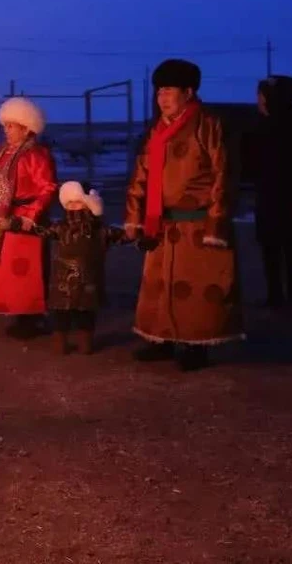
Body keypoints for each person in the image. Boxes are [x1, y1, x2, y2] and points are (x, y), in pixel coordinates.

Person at [125, 59, 244, 371]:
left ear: (188, 92)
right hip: (162, 224)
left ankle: (195, 346)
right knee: (160, 285)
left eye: (169, 91)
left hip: (197, 223)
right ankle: (160, 338)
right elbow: (141, 175)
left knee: (196, 290)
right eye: (159, 92)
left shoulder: (208, 124)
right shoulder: (157, 131)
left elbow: (224, 173)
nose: (162, 98)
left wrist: (216, 222)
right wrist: (135, 218)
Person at [18, 181, 146, 355]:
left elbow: (123, 236)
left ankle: (85, 343)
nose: (73, 207)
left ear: (89, 203)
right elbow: (41, 230)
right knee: (61, 315)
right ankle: (59, 343)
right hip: (62, 281)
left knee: (86, 315)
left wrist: (139, 236)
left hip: (89, 281)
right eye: (69, 203)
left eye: (77, 202)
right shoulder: (61, 227)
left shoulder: (99, 230)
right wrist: (18, 224)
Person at [0, 97, 57, 337]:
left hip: (22, 221)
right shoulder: (3, 152)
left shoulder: (35, 155)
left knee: (25, 269)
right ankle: (16, 312)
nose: (6, 130)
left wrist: (30, 216)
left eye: (11, 126)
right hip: (0, 218)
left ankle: (31, 317)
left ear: (26, 127)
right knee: (7, 269)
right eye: (5, 126)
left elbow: (48, 187)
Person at [254, 75, 292, 318]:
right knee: (290, 248)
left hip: (277, 196)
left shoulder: (269, 127)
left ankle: (280, 296)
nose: (258, 100)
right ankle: (288, 297)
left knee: (277, 247)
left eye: (260, 95)